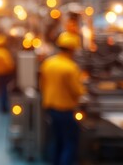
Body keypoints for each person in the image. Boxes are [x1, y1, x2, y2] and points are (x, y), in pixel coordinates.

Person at [40, 31, 85, 165]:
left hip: (50, 107)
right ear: (72, 49)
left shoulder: (48, 63)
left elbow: (42, 84)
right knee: (69, 143)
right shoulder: (70, 67)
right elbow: (77, 91)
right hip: (65, 110)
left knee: (57, 140)